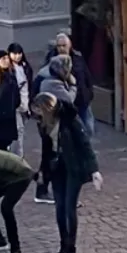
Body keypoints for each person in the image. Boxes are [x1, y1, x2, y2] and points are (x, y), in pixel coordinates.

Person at [31, 91, 102, 253]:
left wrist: (94, 170)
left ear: (47, 108)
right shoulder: (43, 123)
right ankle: (63, 245)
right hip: (57, 167)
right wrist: (43, 172)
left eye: (39, 110)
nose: (36, 114)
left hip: (73, 167)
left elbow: (84, 142)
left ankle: (71, 249)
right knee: (59, 208)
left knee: (70, 208)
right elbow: (46, 149)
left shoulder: (69, 119)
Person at [31, 55, 76, 203]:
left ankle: (44, 189)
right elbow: (69, 100)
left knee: (48, 156)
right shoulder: (52, 82)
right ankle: (44, 190)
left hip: (45, 122)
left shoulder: (45, 73)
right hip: (50, 124)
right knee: (51, 157)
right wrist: (73, 86)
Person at [54, 31, 94, 136]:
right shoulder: (53, 62)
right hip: (66, 104)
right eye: (59, 46)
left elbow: (87, 76)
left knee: (88, 129)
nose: (61, 48)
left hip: (82, 100)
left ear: (70, 45)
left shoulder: (78, 58)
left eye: (64, 45)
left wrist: (89, 94)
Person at [7, 43, 33, 156]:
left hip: (25, 102)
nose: (17, 56)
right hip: (14, 104)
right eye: (14, 53)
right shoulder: (8, 69)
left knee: (19, 129)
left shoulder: (26, 67)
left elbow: (30, 85)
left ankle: (9, 147)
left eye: (19, 53)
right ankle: (18, 155)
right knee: (19, 130)